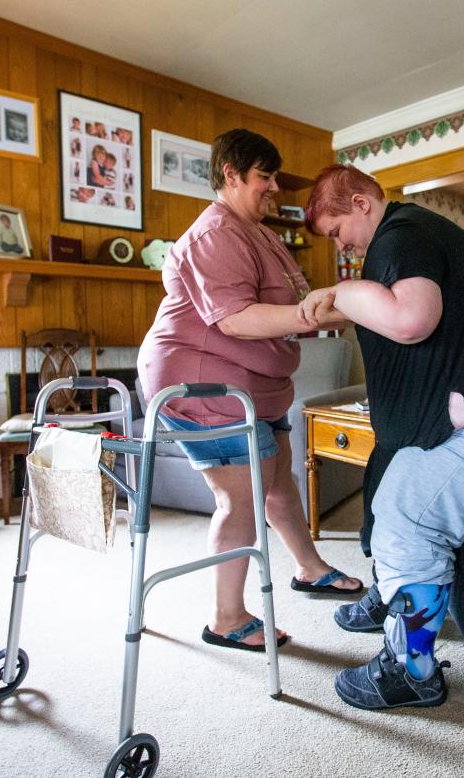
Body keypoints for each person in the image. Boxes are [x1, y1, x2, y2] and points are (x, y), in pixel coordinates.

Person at [299, 165, 464, 710]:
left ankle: (413, 672)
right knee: (394, 499)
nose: (340, 243)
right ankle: (400, 625)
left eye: (337, 228)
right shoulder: (409, 236)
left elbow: (413, 319)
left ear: (362, 204)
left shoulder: (403, 236)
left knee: (410, 519)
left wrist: (343, 292)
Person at [138, 128, 362, 653]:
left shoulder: (259, 232)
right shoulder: (215, 234)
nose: (274, 187)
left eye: (275, 177)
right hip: (200, 383)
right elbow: (236, 319)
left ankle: (309, 569)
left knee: (277, 480)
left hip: (255, 383)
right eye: (264, 176)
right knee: (239, 498)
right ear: (230, 175)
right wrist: (328, 312)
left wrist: (345, 306)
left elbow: (299, 302)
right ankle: (227, 618)